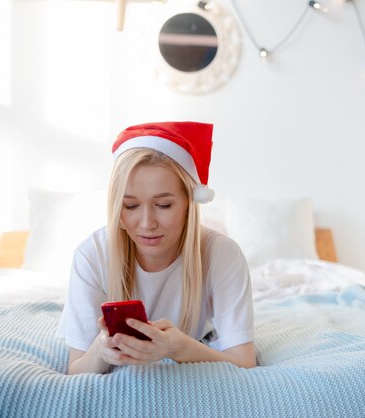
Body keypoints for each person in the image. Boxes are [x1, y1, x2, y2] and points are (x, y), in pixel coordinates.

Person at [56, 121, 256, 374]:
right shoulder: (92, 254)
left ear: (189, 203)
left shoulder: (221, 254)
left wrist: (178, 347)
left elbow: (245, 360)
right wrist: (101, 350)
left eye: (163, 206)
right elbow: (77, 369)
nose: (147, 224)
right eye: (130, 207)